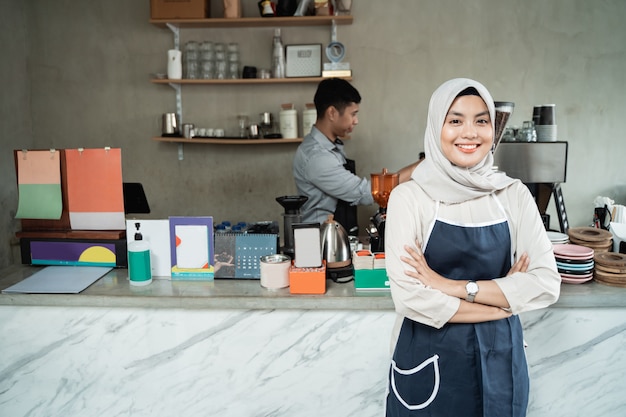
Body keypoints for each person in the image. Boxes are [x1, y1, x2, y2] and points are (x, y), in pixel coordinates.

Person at [384, 78, 561, 416]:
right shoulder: (410, 197)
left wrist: (447, 286)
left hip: (502, 359)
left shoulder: (513, 195)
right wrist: (501, 304)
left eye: (481, 120)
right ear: (436, 126)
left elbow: (545, 283)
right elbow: (410, 296)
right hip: (428, 361)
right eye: (455, 120)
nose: (470, 132)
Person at [293, 78, 419, 233]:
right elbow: (364, 193)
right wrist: (419, 166)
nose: (356, 121)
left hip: (335, 236)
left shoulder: (331, 147)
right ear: (332, 113)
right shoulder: (317, 156)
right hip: (320, 243)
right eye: (353, 114)